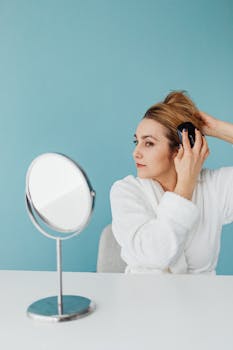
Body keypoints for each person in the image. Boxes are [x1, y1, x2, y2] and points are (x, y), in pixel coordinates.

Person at [110, 91, 233, 275]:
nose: (136, 153)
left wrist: (217, 128)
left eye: (149, 143)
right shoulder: (126, 191)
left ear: (179, 149)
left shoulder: (213, 187)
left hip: (204, 301)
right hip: (144, 300)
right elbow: (156, 255)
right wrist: (185, 186)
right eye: (137, 141)